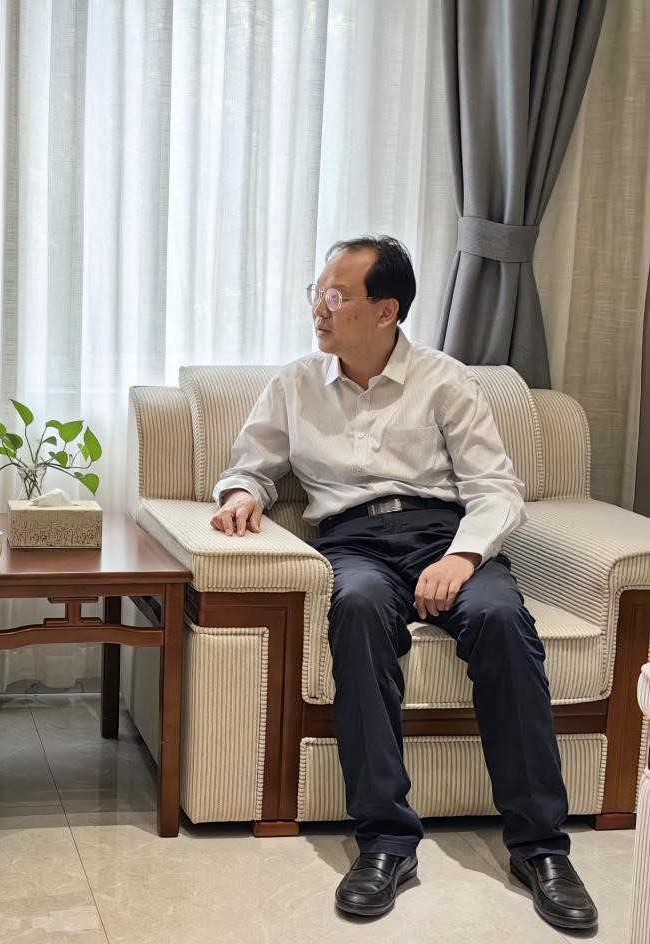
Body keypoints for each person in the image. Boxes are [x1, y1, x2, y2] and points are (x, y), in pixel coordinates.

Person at [209, 235, 597, 931]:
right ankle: (385, 842)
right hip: (352, 542)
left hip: (444, 536)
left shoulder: (445, 380)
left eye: (335, 296)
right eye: (317, 292)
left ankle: (540, 847)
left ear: (386, 310)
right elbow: (253, 465)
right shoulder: (295, 384)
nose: (318, 309)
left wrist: (463, 558)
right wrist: (242, 493)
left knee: (502, 620)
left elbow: (495, 489)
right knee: (356, 608)